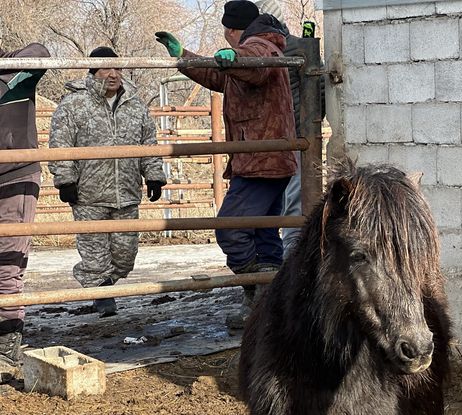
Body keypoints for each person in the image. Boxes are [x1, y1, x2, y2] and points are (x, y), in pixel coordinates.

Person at [155, 0, 297, 329]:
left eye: (227, 34)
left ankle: (259, 295)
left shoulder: (259, 46)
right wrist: (184, 56)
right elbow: (217, 75)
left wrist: (237, 56)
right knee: (264, 236)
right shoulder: (258, 49)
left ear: (233, 31)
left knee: (230, 228)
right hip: (267, 158)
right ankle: (272, 308)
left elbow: (256, 64)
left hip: (261, 160)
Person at [48, 46, 166, 318]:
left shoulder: (135, 105)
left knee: (125, 255)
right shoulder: (74, 104)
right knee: (95, 254)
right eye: (105, 68)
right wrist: (65, 180)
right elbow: (60, 143)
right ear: (93, 71)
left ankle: (106, 284)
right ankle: (102, 294)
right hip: (88, 194)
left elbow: (148, 143)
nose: (113, 74)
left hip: (126, 192)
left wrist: (153, 175)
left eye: (117, 68)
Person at [0, 42, 50, 381]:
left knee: (7, 262)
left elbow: (41, 53)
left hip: (15, 176)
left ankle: (6, 347)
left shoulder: (18, 71)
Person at [254, 0, 304, 257]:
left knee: (288, 198)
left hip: (286, 135)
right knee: (288, 197)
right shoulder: (294, 46)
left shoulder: (281, 49)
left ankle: (287, 256)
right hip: (287, 134)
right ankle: (281, 254)